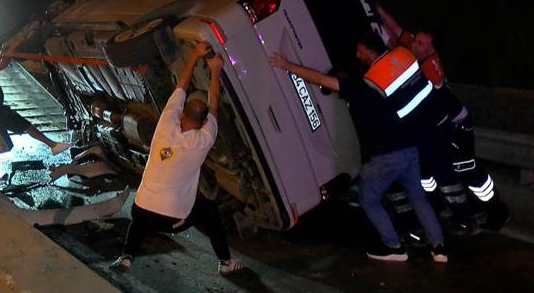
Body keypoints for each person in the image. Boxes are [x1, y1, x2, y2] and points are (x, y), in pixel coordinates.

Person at [270, 32, 448, 263]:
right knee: (418, 197)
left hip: (385, 157)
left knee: (368, 200)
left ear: (369, 51)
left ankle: (394, 247)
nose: (357, 54)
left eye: (360, 49)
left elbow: (320, 80)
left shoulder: (358, 86)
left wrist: (287, 65)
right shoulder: (385, 80)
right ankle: (439, 247)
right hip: (409, 149)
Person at [109, 41, 244, 275]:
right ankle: (226, 263)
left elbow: (181, 85)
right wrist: (215, 71)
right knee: (209, 210)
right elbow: (213, 105)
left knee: (140, 215)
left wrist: (194, 54)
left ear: (181, 114)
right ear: (203, 124)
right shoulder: (203, 140)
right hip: (173, 221)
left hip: (141, 212)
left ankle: (126, 256)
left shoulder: (165, 125)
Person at [376, 5, 509, 231]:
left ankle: (496, 211)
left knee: (467, 171)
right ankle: (447, 209)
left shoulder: (430, 71)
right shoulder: (418, 54)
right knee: (430, 172)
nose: (412, 45)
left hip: (456, 127)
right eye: (415, 41)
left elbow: (427, 102)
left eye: (419, 44)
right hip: (438, 128)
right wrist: (376, 8)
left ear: (431, 50)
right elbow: (397, 30)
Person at [0, 46, 71, 168]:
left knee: (26, 126)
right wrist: (10, 49)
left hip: (0, 110)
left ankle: (53, 145)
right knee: (6, 147)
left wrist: (4, 53)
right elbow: (3, 64)